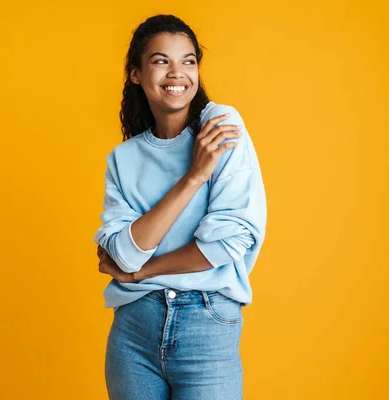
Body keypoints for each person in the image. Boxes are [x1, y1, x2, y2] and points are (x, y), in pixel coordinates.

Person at [93, 14, 267, 400]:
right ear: (136, 73)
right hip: (134, 330)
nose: (178, 73)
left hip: (206, 325)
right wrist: (194, 177)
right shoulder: (122, 160)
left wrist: (143, 271)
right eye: (161, 61)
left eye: (188, 61)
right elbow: (121, 253)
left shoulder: (221, 126)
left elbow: (226, 246)